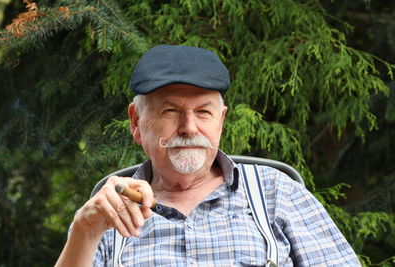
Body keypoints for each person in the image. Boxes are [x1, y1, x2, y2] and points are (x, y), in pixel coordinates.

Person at [55, 45, 361, 266]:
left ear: (221, 120)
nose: (189, 128)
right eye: (171, 111)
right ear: (136, 122)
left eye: (203, 112)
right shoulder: (106, 217)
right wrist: (86, 228)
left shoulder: (276, 193)